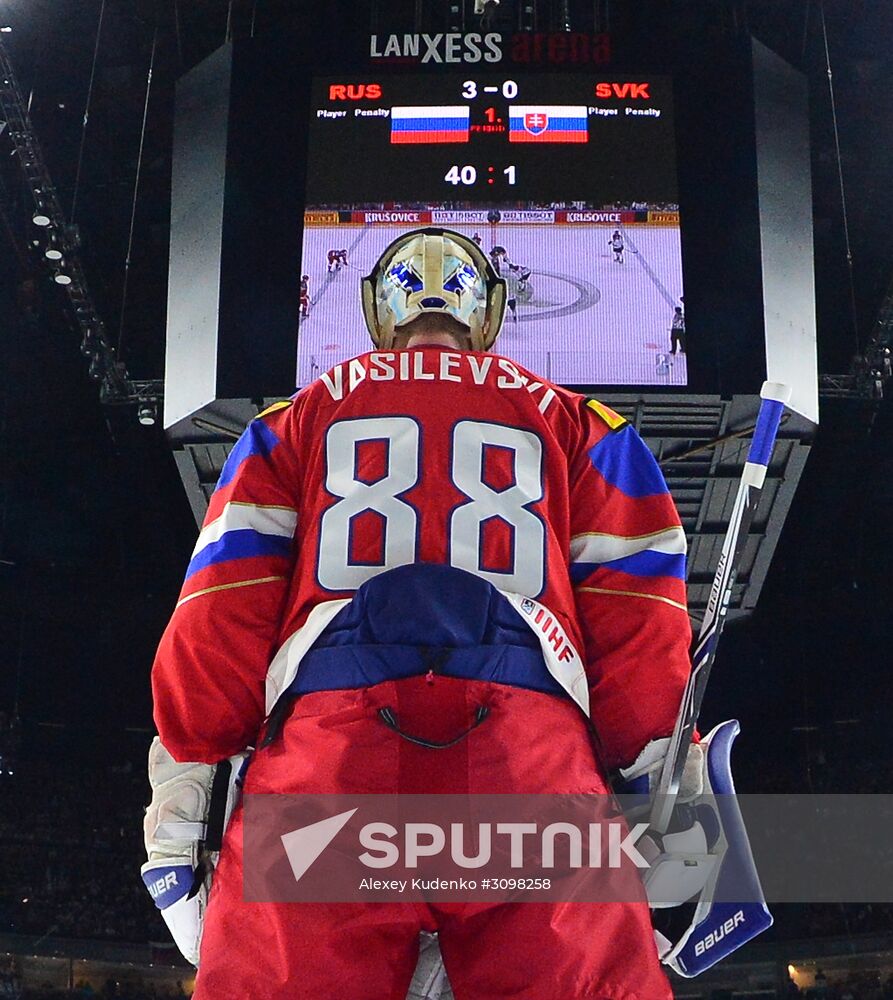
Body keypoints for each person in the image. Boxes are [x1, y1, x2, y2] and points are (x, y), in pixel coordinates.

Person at [143, 227, 693, 999]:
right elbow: (641, 627)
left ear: (378, 311)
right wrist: (669, 794)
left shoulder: (285, 425)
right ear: (489, 313)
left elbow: (218, 613)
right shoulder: (587, 428)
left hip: (327, 759)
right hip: (529, 762)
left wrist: (188, 793)